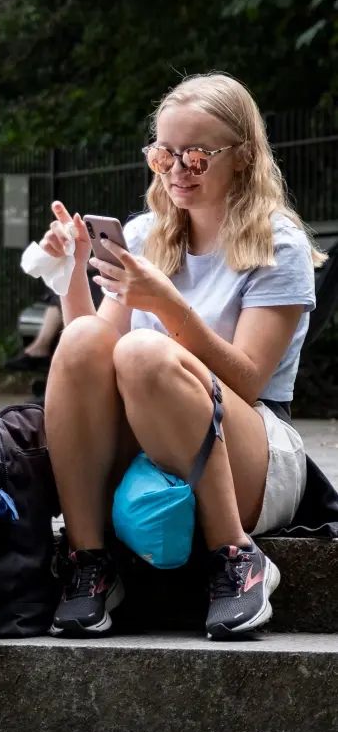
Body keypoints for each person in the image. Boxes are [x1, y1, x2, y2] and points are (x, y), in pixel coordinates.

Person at [40, 73, 323, 641]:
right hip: (153, 439)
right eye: (163, 154)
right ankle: (88, 560)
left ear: (243, 157)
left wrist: (168, 307)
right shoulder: (146, 233)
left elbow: (248, 380)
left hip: (254, 449)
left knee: (144, 352)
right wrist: (71, 275)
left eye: (195, 157)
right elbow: (88, 363)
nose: (175, 170)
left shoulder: (278, 243)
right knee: (88, 340)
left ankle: (236, 556)